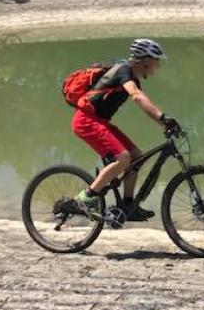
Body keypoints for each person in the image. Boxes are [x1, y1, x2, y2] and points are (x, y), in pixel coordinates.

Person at [72, 38, 180, 222]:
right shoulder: (125, 72)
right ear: (145, 60)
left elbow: (141, 99)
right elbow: (137, 97)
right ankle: (87, 197)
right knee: (123, 157)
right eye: (157, 61)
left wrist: (163, 121)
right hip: (86, 120)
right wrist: (163, 118)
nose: (158, 66)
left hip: (99, 121)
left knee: (135, 156)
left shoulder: (131, 76)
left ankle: (128, 204)